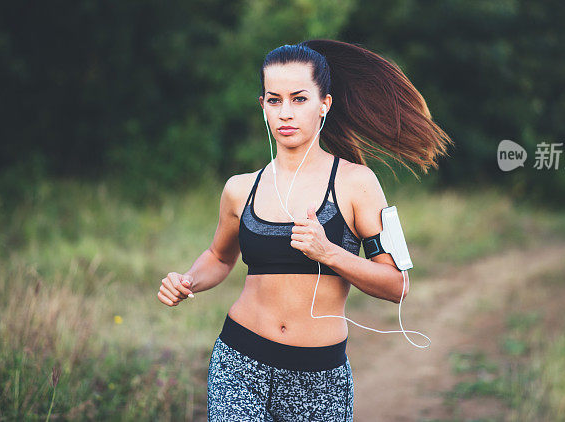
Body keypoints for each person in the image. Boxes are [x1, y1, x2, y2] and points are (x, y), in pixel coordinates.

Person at [157, 39, 452, 421]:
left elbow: (397, 286)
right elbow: (218, 257)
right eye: (275, 100)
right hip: (240, 363)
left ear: (324, 105)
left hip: (320, 378)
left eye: (299, 99)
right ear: (263, 107)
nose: (286, 113)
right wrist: (188, 281)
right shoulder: (239, 188)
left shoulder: (357, 184)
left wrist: (328, 252)